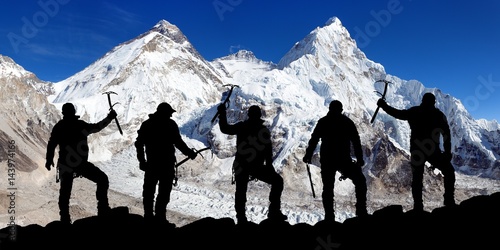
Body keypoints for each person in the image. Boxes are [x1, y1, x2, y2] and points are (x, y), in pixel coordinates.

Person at [376, 92, 456, 211]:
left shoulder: (414, 112)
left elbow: (397, 113)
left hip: (417, 150)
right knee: (449, 172)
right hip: (434, 151)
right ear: (434, 102)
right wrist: (448, 152)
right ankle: (449, 200)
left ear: (422, 101)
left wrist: (384, 105)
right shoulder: (439, 115)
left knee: (417, 178)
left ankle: (418, 206)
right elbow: (446, 135)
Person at [45, 103, 117, 224]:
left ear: (63, 113)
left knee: (65, 192)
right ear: (73, 111)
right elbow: (97, 127)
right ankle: (103, 209)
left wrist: (49, 159)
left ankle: (64, 219)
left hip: (66, 164)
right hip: (80, 163)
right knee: (102, 179)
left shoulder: (59, 127)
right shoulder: (80, 125)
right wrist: (110, 117)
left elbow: (52, 143)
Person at [217, 104, 287, 224]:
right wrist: (269, 167)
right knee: (277, 181)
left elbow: (225, 129)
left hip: (242, 165)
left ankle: (241, 217)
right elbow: (268, 152)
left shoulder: (242, 126)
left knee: (240, 191)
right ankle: (274, 211)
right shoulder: (263, 131)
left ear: (249, 115)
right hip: (256, 167)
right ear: (259, 116)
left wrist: (222, 113)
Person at [134, 102, 197, 227]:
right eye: (169, 113)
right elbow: (178, 142)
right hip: (166, 165)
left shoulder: (147, 125)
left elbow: (139, 144)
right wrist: (189, 153)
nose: (170, 115)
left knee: (149, 192)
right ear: (164, 112)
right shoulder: (170, 125)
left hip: (152, 164)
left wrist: (142, 161)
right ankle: (159, 218)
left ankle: (149, 218)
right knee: (163, 193)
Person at [303, 100, 368, 221]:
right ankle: (361, 210)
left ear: (330, 109)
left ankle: (329, 216)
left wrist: (308, 154)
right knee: (360, 181)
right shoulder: (347, 122)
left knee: (327, 188)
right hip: (344, 160)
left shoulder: (323, 122)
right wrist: (359, 159)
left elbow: (314, 139)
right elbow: (356, 141)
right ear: (341, 110)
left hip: (328, 160)